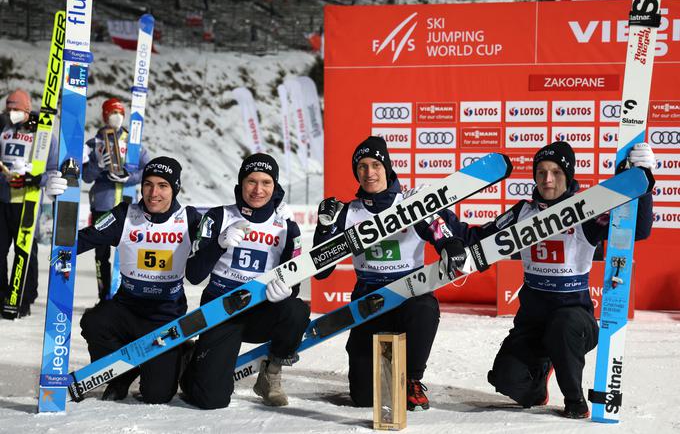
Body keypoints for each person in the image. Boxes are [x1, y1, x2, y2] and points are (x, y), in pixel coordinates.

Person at [485, 141, 655, 419]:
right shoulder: (522, 213)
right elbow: (483, 236)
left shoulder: (585, 213)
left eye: (555, 172)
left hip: (575, 321)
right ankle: (540, 381)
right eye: (540, 172)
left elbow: (639, 229)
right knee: (506, 379)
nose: (547, 179)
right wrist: (446, 234)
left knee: (562, 327)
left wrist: (643, 179)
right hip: (533, 323)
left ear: (569, 175)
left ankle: (574, 398)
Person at [312, 136, 469, 411]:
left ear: (387, 166)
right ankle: (385, 363)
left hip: (409, 294)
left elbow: (438, 232)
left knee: (425, 307)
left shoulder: (410, 203)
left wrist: (451, 243)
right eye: (362, 166)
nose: (369, 173)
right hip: (368, 301)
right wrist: (324, 228)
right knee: (364, 398)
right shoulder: (348, 212)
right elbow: (322, 272)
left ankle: (411, 378)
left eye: (375, 164)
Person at [181, 153, 310, 409]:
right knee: (211, 400)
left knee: (297, 311)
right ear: (241, 184)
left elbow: (294, 282)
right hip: (222, 312)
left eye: (266, 182)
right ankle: (191, 359)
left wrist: (288, 290)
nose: (258, 190)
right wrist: (218, 244)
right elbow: (194, 275)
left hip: (261, 312)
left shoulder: (287, 228)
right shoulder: (218, 217)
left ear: (275, 187)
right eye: (251, 181)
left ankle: (271, 373)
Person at [68, 157, 201, 403]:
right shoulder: (124, 215)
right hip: (127, 308)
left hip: (165, 315)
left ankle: (180, 353)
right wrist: (61, 199)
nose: (153, 193)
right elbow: (80, 240)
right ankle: (122, 375)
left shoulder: (189, 219)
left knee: (157, 395)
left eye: (163, 185)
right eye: (148, 184)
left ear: (175, 188)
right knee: (95, 322)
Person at [82, 98, 150, 302]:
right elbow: (85, 176)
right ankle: (104, 297)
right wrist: (97, 166)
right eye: (113, 112)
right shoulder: (93, 143)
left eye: (121, 113)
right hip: (102, 204)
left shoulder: (133, 143)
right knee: (101, 254)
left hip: (129, 205)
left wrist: (129, 178)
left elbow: (148, 169)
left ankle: (126, 297)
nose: (117, 117)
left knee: (129, 254)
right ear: (104, 115)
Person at [0, 88, 60, 317]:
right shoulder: (3, 128)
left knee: (26, 251)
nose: (11, 112)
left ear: (26, 109)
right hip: (3, 199)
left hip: (28, 202)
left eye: (16, 109)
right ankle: (4, 294)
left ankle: (25, 296)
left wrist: (35, 178)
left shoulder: (43, 134)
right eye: (9, 108)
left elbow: (53, 170)